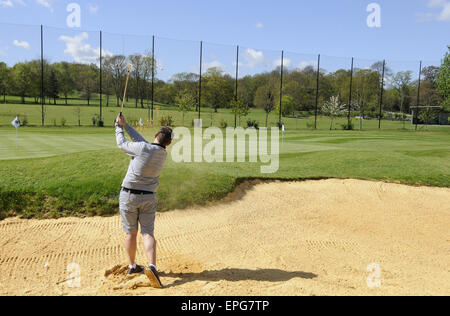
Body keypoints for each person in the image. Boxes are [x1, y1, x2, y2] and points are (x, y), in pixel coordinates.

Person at [115, 114, 173, 288]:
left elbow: (122, 144)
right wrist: (126, 125)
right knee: (147, 233)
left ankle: (132, 266)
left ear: (156, 134)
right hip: (149, 197)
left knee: (131, 233)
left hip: (129, 196)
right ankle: (152, 266)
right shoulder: (162, 153)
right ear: (168, 143)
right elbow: (142, 143)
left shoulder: (143, 148)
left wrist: (118, 127)